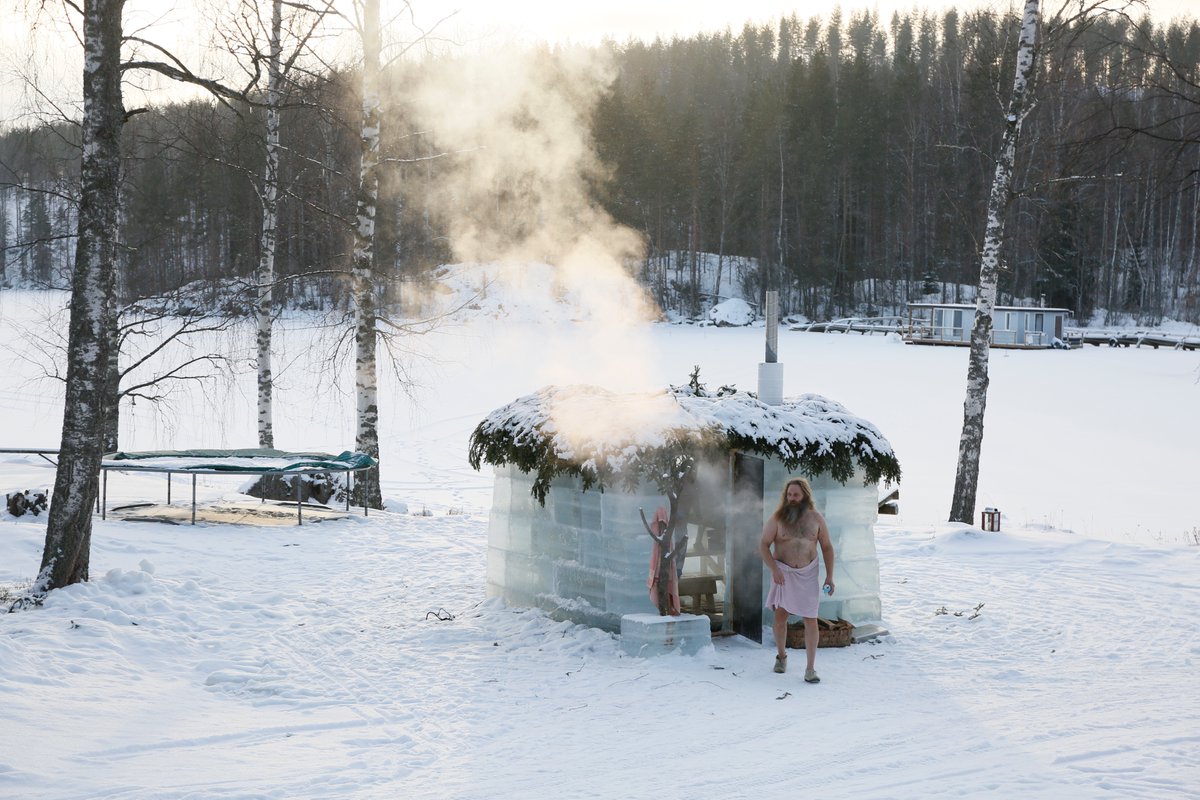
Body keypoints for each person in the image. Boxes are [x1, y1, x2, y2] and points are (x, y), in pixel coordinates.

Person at [759, 477, 835, 683]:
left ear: (805, 496)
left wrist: (829, 576)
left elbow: (827, 547)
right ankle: (781, 657)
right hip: (783, 574)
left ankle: (810, 669)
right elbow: (764, 545)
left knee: (810, 619)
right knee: (780, 617)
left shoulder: (816, 519)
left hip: (808, 575)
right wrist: (774, 569)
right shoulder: (777, 518)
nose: (792, 498)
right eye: (789, 495)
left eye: (796, 495)